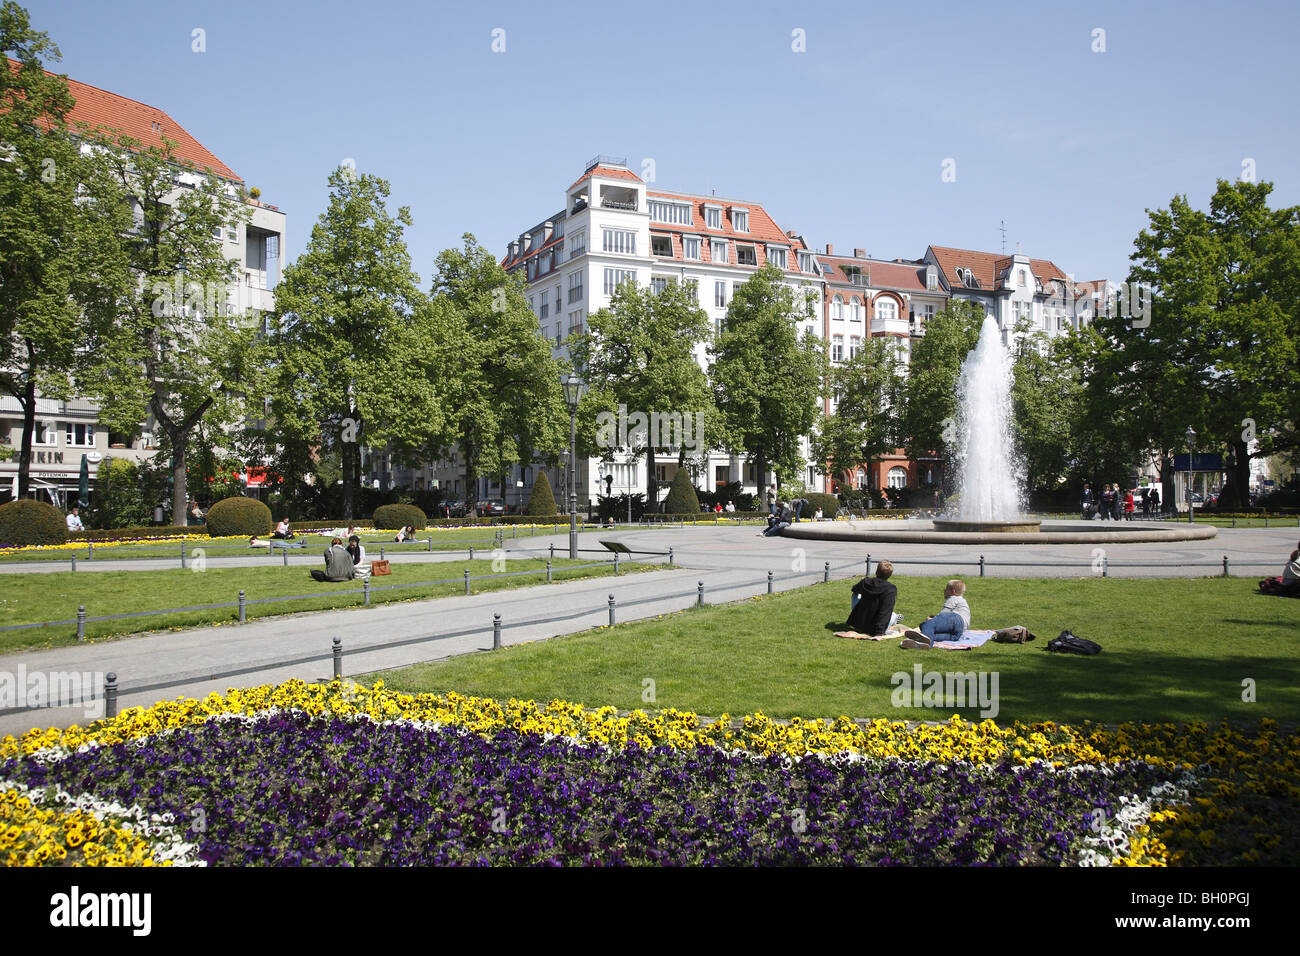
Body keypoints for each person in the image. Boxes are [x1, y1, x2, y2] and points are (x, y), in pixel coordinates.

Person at [904, 579, 971, 648]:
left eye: (946, 589)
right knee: (933, 634)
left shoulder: (953, 598)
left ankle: (923, 639)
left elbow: (944, 614)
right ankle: (923, 643)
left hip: (956, 619)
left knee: (927, 624)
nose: (944, 591)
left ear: (953, 592)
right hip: (958, 633)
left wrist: (932, 620)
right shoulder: (963, 601)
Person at [841, 560, 898, 637]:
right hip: (873, 628)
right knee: (893, 615)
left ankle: (856, 617)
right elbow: (885, 612)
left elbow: (854, 589)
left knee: (856, 594)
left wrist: (862, 584)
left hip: (859, 623)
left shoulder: (866, 582)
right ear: (890, 575)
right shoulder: (890, 589)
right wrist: (879, 633)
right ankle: (895, 619)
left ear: (876, 571)